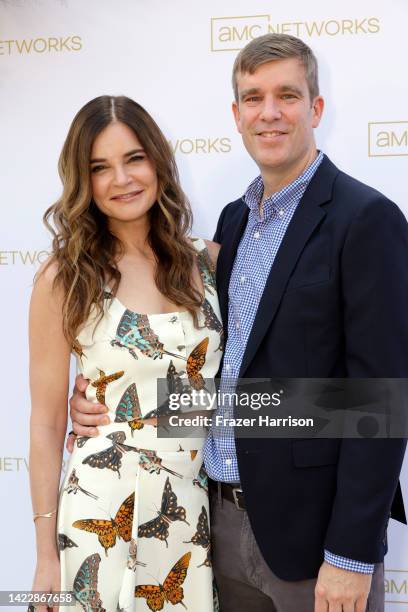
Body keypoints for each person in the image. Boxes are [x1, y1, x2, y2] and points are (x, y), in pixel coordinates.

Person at [68, 34, 408, 612]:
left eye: (287, 96)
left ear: (316, 108)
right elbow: (226, 375)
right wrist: (112, 396)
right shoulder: (233, 221)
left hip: (313, 539)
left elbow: (381, 397)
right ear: (236, 114)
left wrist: (350, 554)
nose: (269, 112)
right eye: (253, 98)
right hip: (212, 524)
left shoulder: (365, 217)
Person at [29, 95, 222, 611]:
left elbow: (236, 386)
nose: (121, 179)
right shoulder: (63, 279)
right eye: (100, 167)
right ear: (82, 180)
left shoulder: (210, 261)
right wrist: (46, 556)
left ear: (157, 161)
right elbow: (46, 424)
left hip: (191, 514)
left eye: (134, 158)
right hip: (100, 514)